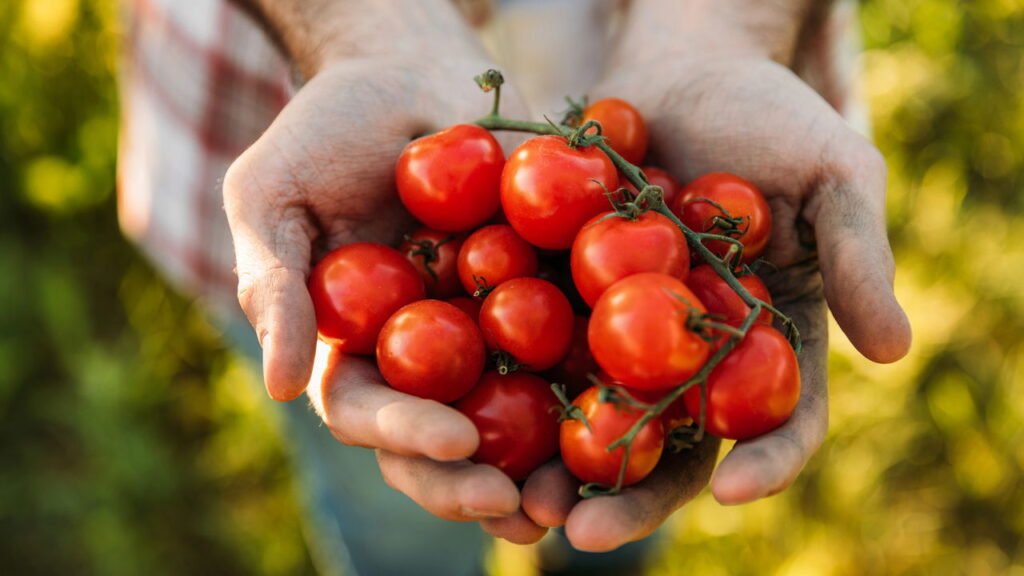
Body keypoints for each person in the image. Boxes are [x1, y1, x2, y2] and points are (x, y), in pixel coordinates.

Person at [118, 0, 912, 574]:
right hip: (280, 91)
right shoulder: (656, 262)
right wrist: (366, 26)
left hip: (695, 61)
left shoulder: (656, 260)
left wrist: (722, 26)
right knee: (395, 511)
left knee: (613, 519)